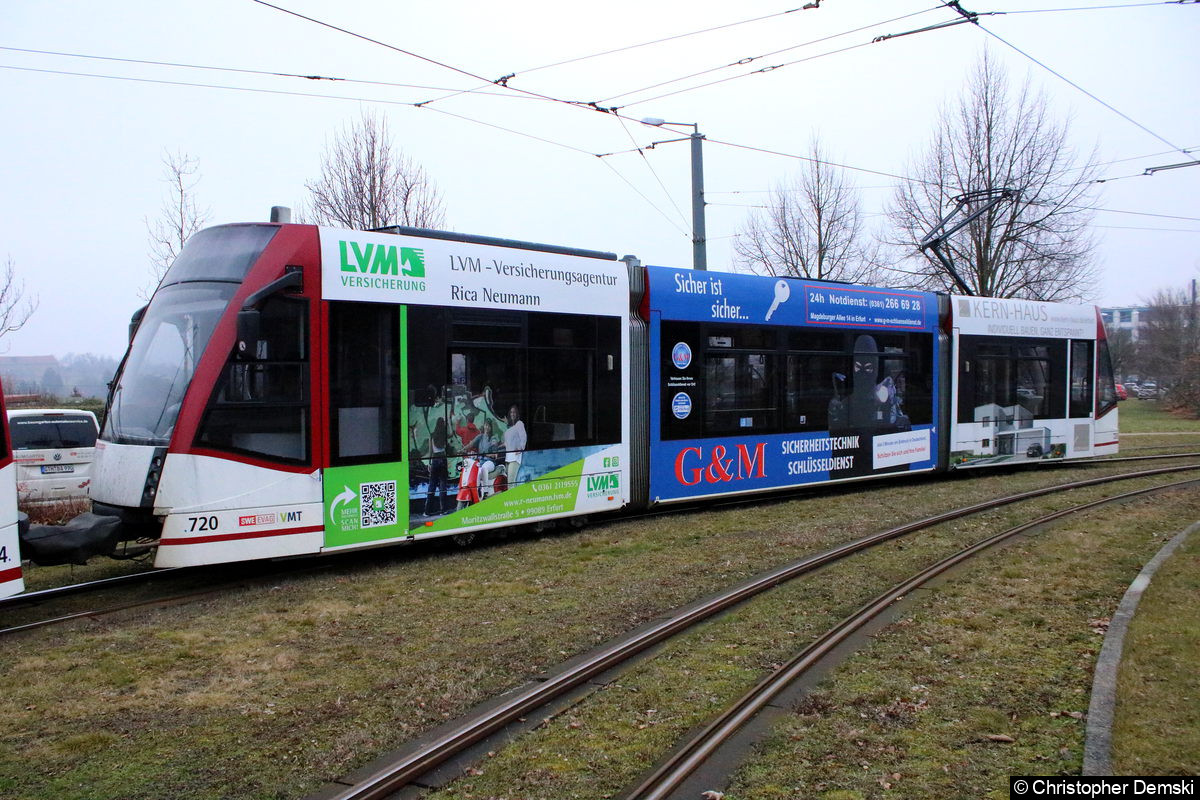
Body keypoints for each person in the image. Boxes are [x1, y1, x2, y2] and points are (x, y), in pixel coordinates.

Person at [424, 417, 449, 516]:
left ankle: (427, 511)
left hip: (434, 459)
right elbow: (450, 438)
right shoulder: (444, 434)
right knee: (443, 484)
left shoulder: (432, 435)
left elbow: (430, 451)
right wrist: (449, 424)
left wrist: (429, 463)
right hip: (443, 458)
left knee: (432, 484)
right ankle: (443, 510)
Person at [502, 404, 527, 486]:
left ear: (517, 414)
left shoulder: (519, 424)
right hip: (508, 458)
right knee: (511, 484)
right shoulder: (510, 427)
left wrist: (520, 448)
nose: (512, 414)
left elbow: (523, 437)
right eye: (511, 412)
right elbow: (507, 443)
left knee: (510, 484)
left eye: (514, 412)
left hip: (515, 458)